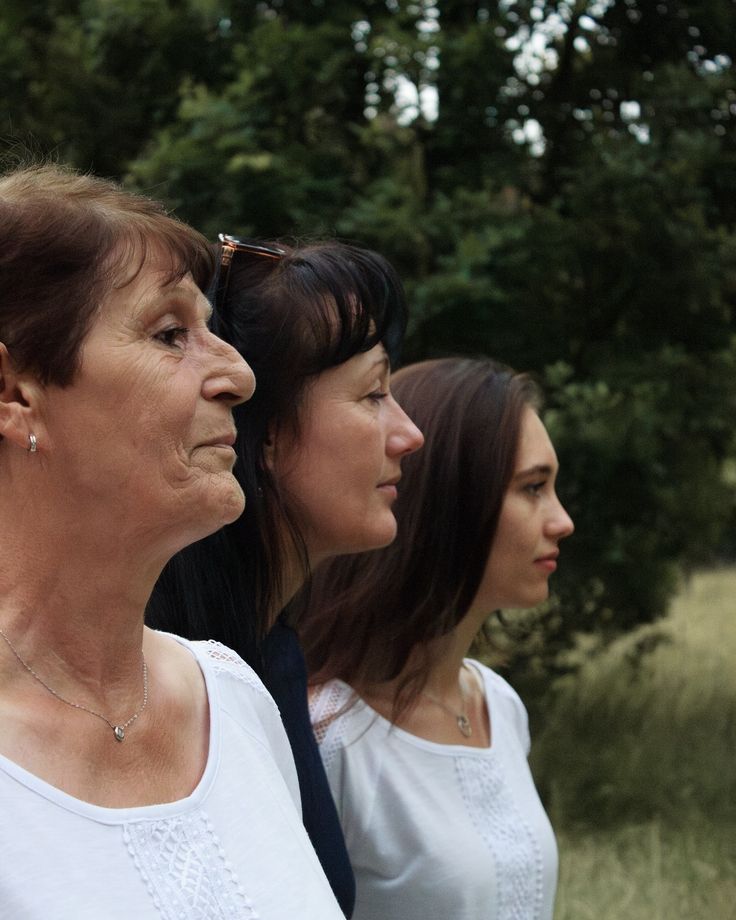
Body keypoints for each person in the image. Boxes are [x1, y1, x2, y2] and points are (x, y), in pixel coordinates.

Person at [0, 163, 345, 919]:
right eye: (169, 334)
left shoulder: (231, 698)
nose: (239, 375)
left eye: (212, 331)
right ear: (15, 391)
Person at [147, 235, 424, 917]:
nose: (408, 432)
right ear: (264, 434)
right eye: (374, 393)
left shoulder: (271, 655)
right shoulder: (166, 676)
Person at [302, 356, 575, 920]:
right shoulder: (331, 735)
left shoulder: (498, 705)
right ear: (452, 502)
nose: (561, 520)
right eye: (532, 488)